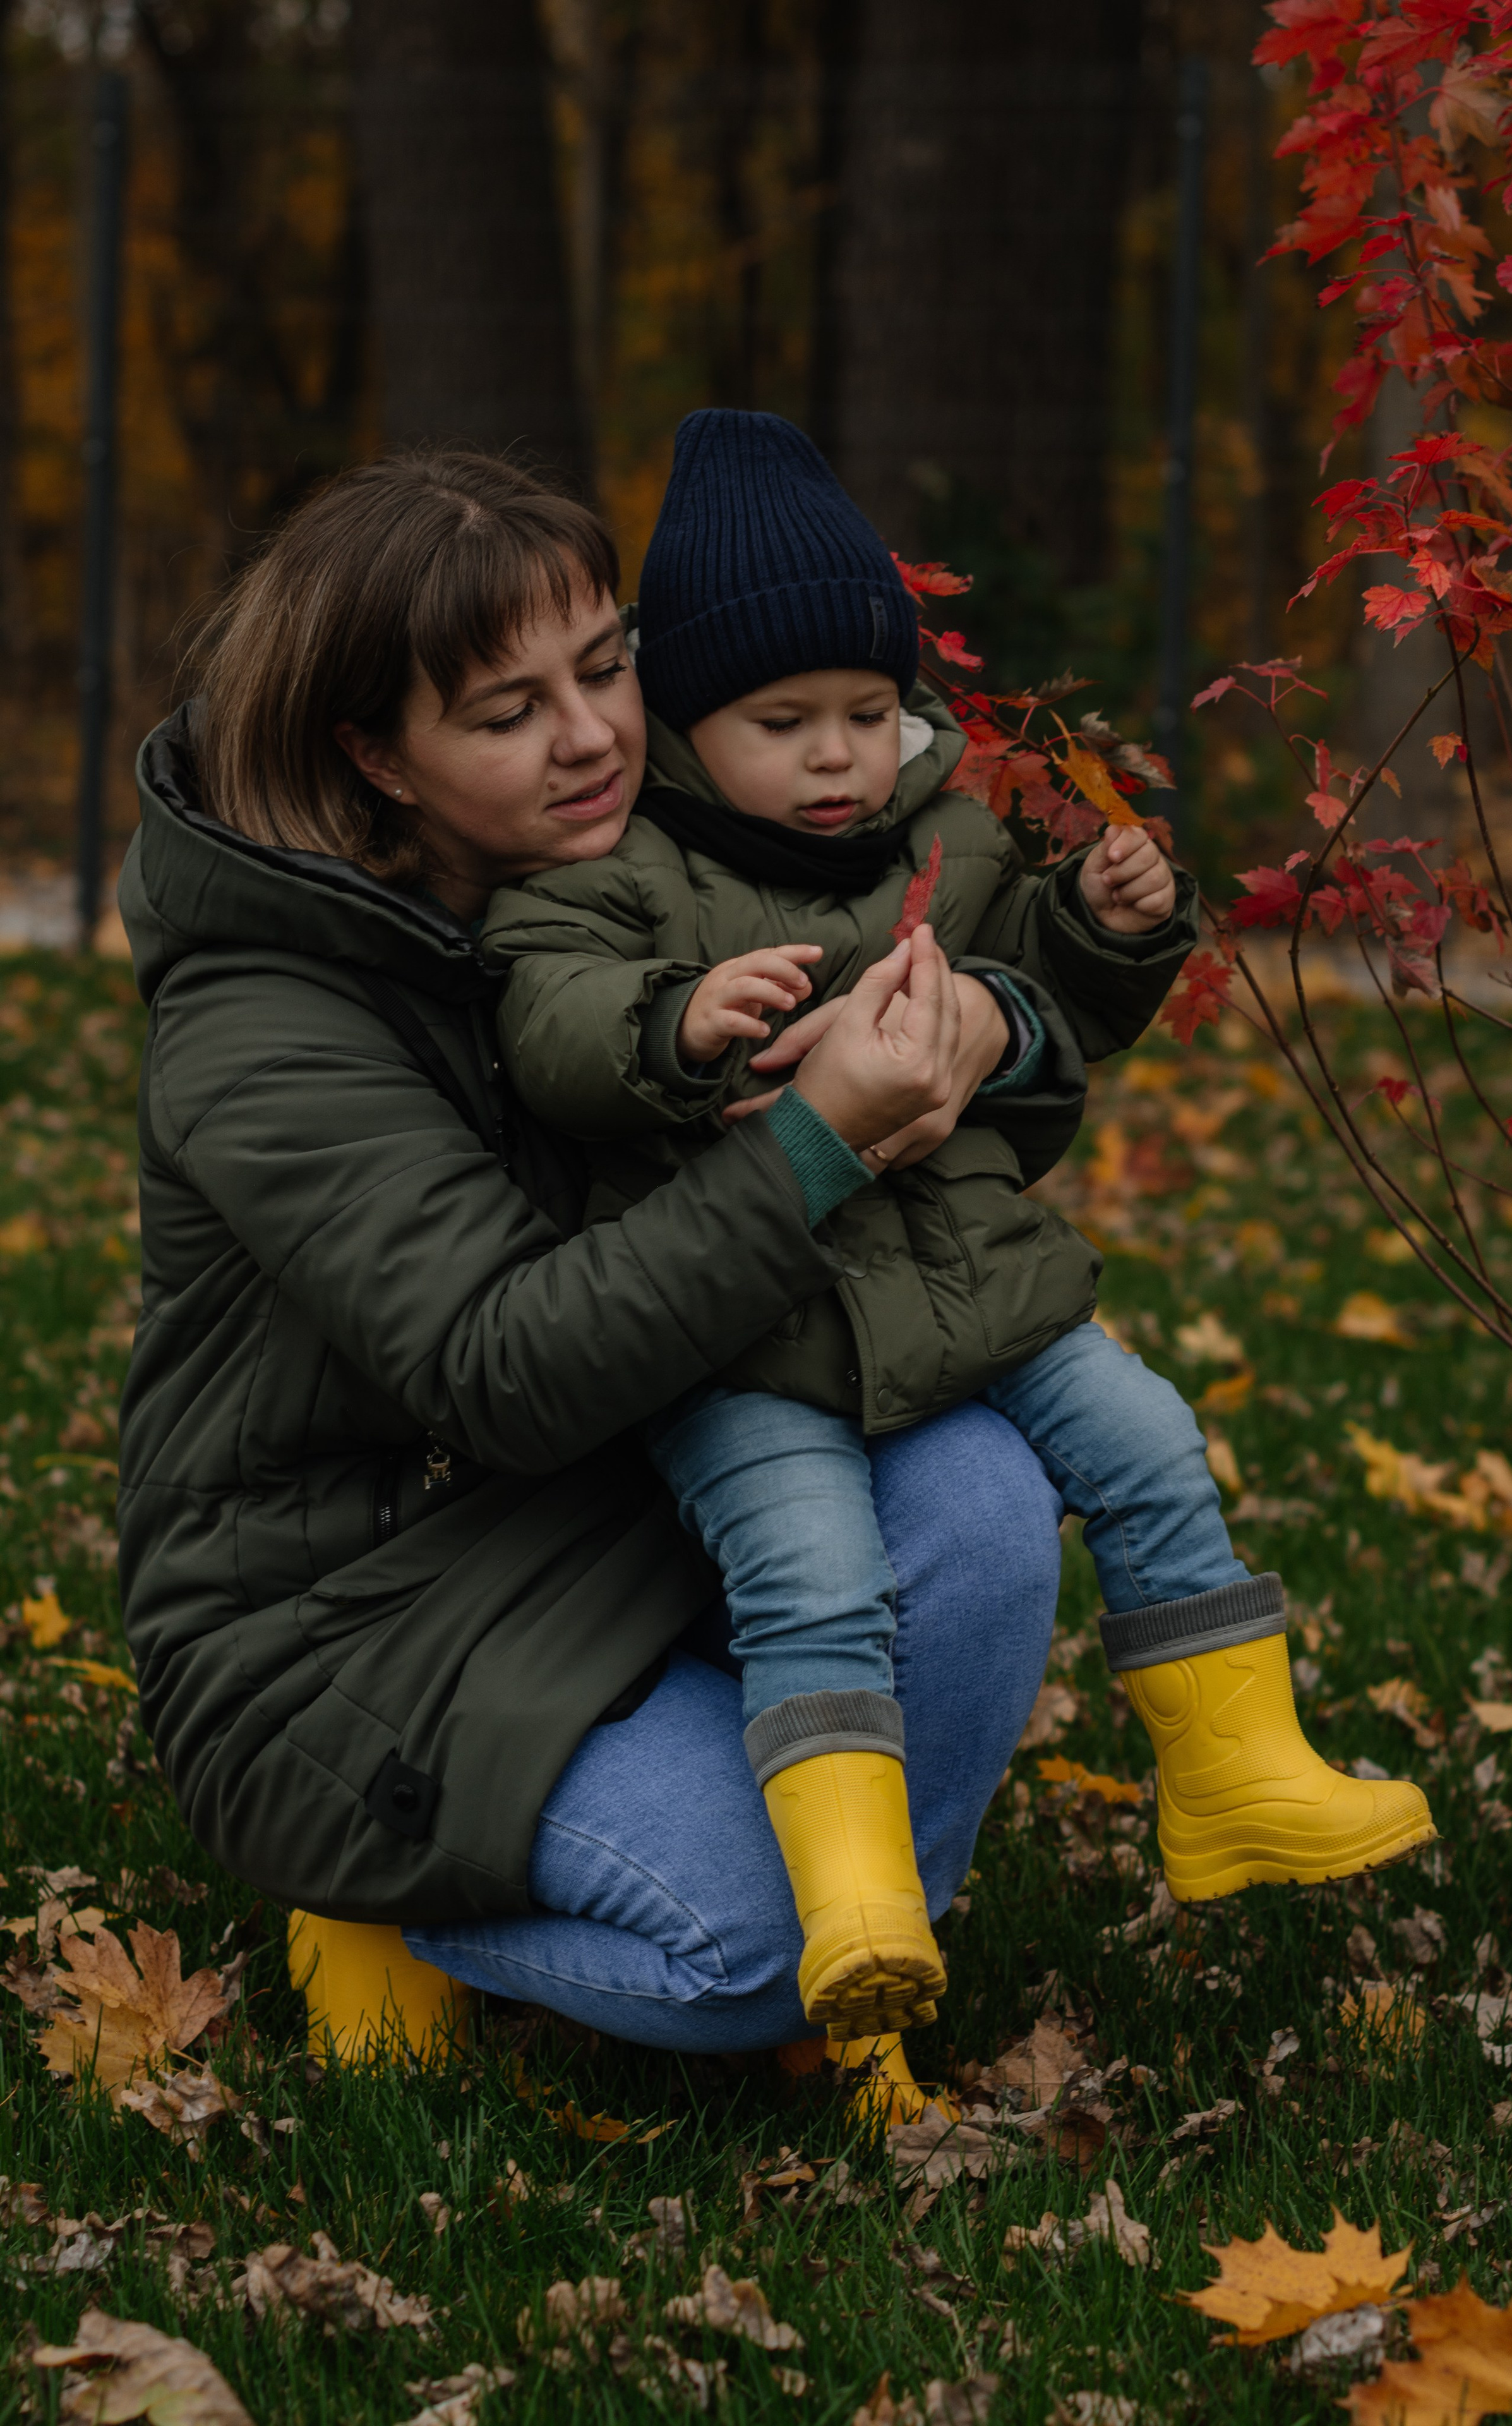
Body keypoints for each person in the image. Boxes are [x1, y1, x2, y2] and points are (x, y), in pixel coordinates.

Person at [116, 449, 1088, 2118]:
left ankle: (870, 1934)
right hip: (353, 1626)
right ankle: (388, 1904)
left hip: (620, 1494)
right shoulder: (266, 1026)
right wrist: (819, 1145)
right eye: (508, 711)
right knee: (759, 1950)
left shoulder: (638, 862)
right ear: (375, 755)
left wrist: (992, 1035)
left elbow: (963, 1110)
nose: (591, 738)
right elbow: (503, 1368)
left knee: (982, 1490)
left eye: (605, 667)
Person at [480, 411, 1437, 2080]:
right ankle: (854, 1896)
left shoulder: (958, 833)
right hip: (749, 1339)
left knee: (1150, 1440)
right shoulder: (618, 870)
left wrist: (1106, 929)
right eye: (785, 724)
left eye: (869, 713)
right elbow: (550, 1015)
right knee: (812, 1572)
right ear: (687, 723)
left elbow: (1049, 1000)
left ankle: (1234, 1771)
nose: (839, 758)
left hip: (974, 1280)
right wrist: (673, 1021)